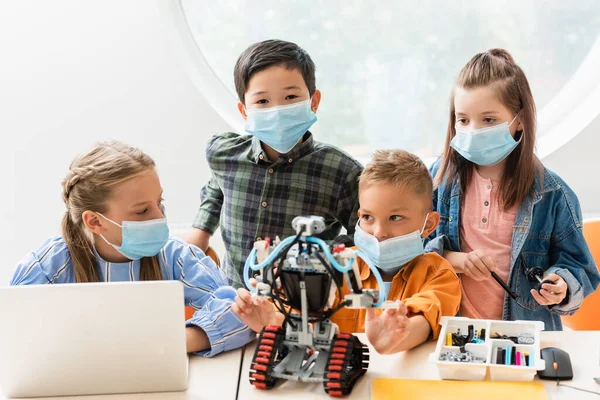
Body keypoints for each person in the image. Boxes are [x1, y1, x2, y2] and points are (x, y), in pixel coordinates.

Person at [11, 141, 255, 356]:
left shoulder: (176, 256)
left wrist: (166, 345)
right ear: (95, 221)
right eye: (142, 211)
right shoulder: (49, 265)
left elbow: (240, 315)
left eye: (159, 203)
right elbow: (13, 327)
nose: (160, 216)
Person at [426, 49, 600, 330]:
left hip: (524, 339)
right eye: (463, 120)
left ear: (518, 120)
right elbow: (411, 251)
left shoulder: (553, 194)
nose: (473, 131)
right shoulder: (438, 180)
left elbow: (581, 269)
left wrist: (561, 285)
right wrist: (453, 259)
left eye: (489, 120)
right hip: (453, 334)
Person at [183, 39, 362, 288]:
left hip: (300, 304)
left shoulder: (342, 171)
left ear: (314, 100)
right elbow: (217, 188)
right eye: (262, 102)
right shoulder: (224, 154)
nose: (278, 110)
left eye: (290, 97)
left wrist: (314, 255)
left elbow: (365, 236)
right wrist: (200, 232)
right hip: (231, 300)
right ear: (244, 110)